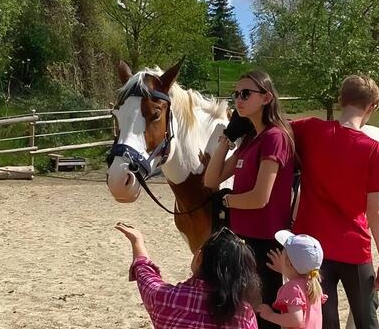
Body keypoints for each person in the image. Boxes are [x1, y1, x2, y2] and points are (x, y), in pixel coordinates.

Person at [290, 75, 379, 329]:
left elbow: (277, 124)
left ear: (340, 101)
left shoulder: (310, 130)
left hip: (313, 251)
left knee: (325, 321)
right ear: (371, 107)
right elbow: (375, 210)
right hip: (354, 248)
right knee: (366, 321)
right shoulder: (374, 149)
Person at [204, 70, 296, 329]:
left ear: (266, 97)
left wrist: (226, 202)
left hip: (265, 241)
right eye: (236, 94)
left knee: (264, 313)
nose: (238, 99)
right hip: (243, 238)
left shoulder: (275, 137)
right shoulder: (251, 141)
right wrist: (227, 138)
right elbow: (211, 180)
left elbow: (259, 198)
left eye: (246, 93)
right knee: (245, 314)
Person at [115, 222, 261, 329]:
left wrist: (137, 241)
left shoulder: (165, 299)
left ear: (199, 258)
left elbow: (144, 272)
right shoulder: (244, 314)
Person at [257, 230, 327, 328]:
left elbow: (295, 321)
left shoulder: (292, 288)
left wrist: (270, 315)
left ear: (289, 264)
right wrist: (284, 270)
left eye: (283, 254)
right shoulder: (313, 283)